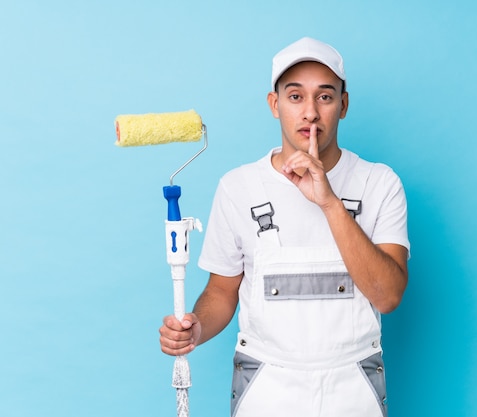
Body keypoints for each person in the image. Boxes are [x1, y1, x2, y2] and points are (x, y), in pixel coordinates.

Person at [159, 37, 410, 417]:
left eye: (325, 97)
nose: (310, 112)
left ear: (343, 105)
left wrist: (328, 201)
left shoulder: (379, 183)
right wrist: (196, 329)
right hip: (266, 384)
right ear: (274, 105)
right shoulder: (238, 187)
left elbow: (388, 297)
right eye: (295, 97)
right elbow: (222, 292)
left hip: (353, 382)